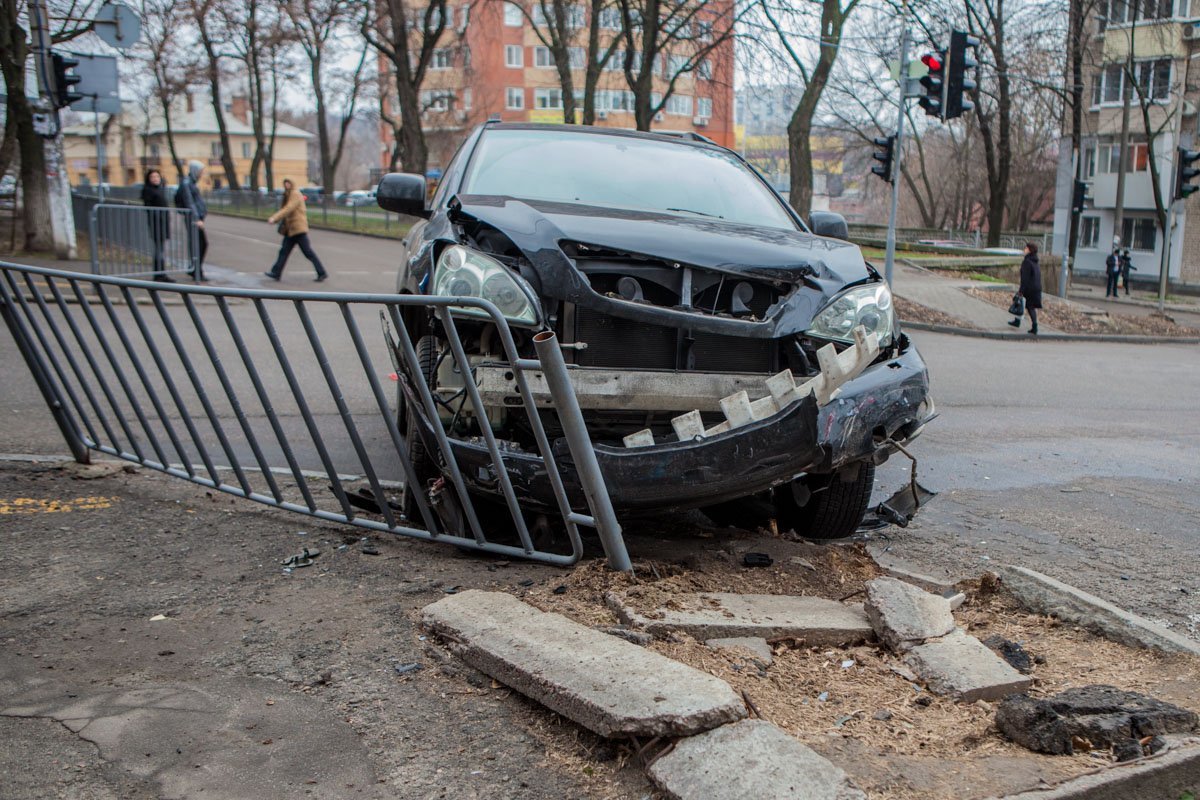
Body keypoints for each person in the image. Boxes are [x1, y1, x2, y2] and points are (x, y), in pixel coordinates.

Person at [264, 179, 328, 281]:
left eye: (288, 183)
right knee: (284, 251)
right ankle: (276, 272)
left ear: (292, 184)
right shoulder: (288, 194)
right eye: (285, 183)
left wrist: (274, 218)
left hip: (298, 229)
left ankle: (322, 272)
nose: (286, 185)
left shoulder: (295, 194)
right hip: (291, 230)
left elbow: (288, 208)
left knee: (308, 252)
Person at [174, 160, 208, 279]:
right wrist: (197, 218)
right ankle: (195, 270)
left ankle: (195, 269)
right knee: (199, 244)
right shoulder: (187, 184)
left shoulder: (191, 183)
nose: (201, 173)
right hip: (193, 219)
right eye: (200, 171)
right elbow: (190, 202)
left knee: (200, 244)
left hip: (196, 218)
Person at [140, 169, 172, 282]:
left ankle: (161, 274)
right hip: (156, 224)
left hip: (162, 223)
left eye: (157, 176)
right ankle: (159, 274)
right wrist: (157, 217)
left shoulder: (159, 189)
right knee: (159, 250)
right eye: (153, 177)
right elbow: (148, 207)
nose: (155, 179)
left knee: (161, 249)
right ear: (149, 179)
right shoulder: (148, 190)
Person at [1007, 241, 1042, 335]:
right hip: (1036, 287)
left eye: (1026, 248)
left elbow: (1025, 278)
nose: (1024, 250)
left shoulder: (1027, 262)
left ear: (1030, 250)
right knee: (1023, 304)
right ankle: (1017, 321)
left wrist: (1021, 291)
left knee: (1028, 306)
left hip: (1029, 288)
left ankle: (1034, 327)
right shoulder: (1035, 261)